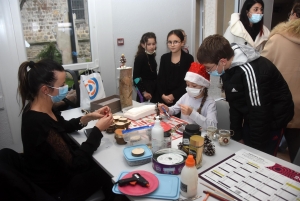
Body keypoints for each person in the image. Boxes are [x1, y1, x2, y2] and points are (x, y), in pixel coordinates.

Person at [0, 59, 116, 201]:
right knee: (107, 172)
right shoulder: (38, 122)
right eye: (61, 85)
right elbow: (76, 164)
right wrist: (97, 130)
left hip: (54, 172)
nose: (65, 88)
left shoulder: (40, 108)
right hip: (58, 189)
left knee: (98, 162)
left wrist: (89, 117)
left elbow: (63, 126)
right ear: (45, 89)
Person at [197, 34, 294, 156]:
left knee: (263, 157)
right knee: (244, 148)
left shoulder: (250, 71)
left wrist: (256, 151)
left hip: (272, 120)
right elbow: (234, 103)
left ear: (222, 61)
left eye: (209, 68)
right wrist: (237, 136)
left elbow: (259, 114)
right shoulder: (227, 67)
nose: (208, 71)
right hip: (253, 117)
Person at [261, 3, 300, 162]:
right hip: (299, 111)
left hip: (278, 106)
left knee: (268, 155)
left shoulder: (277, 39)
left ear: (294, 16)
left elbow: (262, 72)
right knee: (296, 155)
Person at [158, 62, 217, 130]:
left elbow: (213, 126)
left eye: (194, 86)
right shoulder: (186, 96)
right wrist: (167, 109)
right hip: (184, 131)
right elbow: (174, 110)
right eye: (188, 85)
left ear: (204, 86)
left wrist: (192, 113)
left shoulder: (210, 102)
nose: (190, 88)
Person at [157, 29, 194, 108]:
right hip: (164, 98)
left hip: (181, 99)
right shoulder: (164, 58)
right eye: (170, 42)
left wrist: (173, 95)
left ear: (182, 43)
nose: (172, 45)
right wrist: (163, 95)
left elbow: (188, 82)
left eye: (176, 42)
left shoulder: (188, 58)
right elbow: (160, 79)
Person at [133, 32, 158, 103]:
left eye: (153, 44)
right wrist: (144, 92)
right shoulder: (140, 57)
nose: (152, 46)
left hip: (154, 88)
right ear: (143, 45)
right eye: (149, 44)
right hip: (145, 89)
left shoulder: (152, 55)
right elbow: (136, 78)